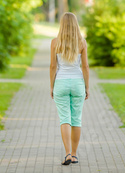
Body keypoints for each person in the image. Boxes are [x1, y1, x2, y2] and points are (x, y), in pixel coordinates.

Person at [50, 12, 90, 166]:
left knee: (65, 119)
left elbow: (53, 66)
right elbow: (85, 66)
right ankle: (74, 154)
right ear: (75, 25)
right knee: (76, 119)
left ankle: (67, 153)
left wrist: (51, 86)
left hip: (60, 83)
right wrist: (87, 86)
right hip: (77, 83)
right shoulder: (82, 42)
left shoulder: (55, 42)